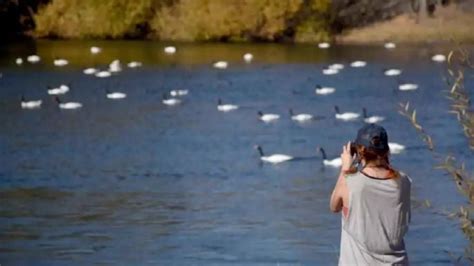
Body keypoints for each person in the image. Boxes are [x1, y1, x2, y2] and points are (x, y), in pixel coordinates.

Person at [330, 124, 411, 265]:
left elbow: (334, 206)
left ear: (360, 152)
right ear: (386, 151)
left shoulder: (351, 182)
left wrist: (345, 169)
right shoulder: (403, 181)